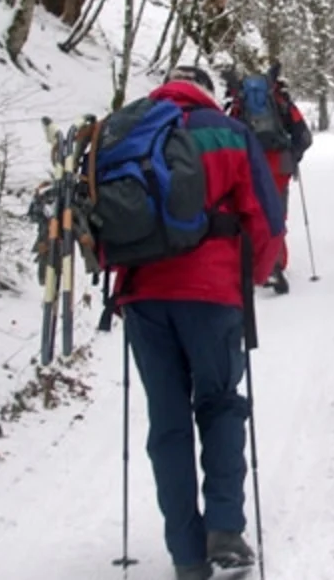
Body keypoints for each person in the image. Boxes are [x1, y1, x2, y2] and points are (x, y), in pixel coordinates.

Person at [114, 66, 285, 580]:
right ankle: (225, 530)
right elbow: (266, 218)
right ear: (208, 92)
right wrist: (251, 278)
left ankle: (186, 555)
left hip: (143, 296)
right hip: (212, 295)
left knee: (167, 421)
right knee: (220, 403)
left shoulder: (128, 131)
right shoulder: (228, 132)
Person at [228, 61, 312, 294]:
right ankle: (275, 265)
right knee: (276, 213)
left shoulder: (239, 103)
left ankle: (252, 262)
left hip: (250, 163)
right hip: (279, 164)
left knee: (252, 212)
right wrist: (293, 156)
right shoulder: (281, 102)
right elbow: (304, 136)